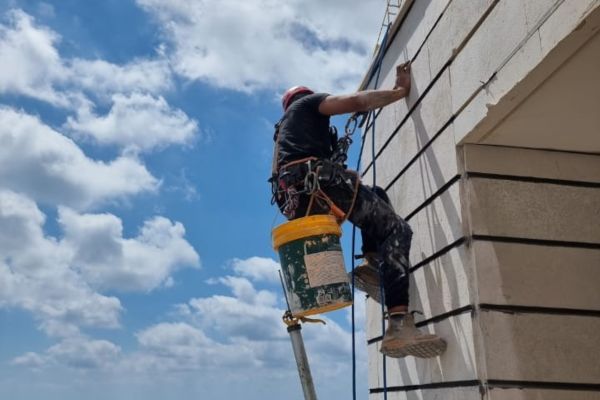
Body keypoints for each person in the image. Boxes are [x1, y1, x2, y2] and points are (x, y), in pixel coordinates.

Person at [270, 63, 446, 358]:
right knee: (397, 229)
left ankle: (374, 263)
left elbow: (293, 173)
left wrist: (341, 174)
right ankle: (399, 323)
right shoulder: (308, 105)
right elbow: (354, 101)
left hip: (305, 199)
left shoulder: (283, 137)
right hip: (319, 184)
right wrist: (398, 91)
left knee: (375, 196)